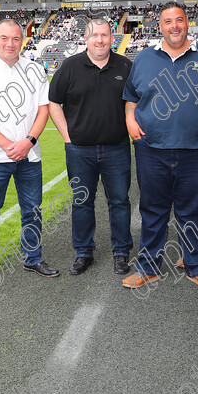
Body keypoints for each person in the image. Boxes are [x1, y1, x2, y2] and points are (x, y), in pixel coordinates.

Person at [121, 1, 198, 290]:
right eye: (168, 21)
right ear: (160, 26)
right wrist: (131, 118)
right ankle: (148, 267)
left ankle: (196, 266)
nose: (174, 26)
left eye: (179, 20)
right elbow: (131, 96)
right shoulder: (144, 57)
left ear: (188, 23)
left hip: (196, 149)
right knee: (152, 209)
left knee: (191, 210)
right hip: (150, 149)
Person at [0, 19, 59, 291]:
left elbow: (44, 109)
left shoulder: (35, 70)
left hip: (29, 155)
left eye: (16, 39)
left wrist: (28, 141)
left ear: (22, 40)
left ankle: (33, 257)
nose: (10, 44)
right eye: (5, 38)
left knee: (32, 211)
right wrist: (6, 144)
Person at [48, 18, 133, 276]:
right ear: (86, 38)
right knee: (82, 202)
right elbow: (53, 102)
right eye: (95, 35)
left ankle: (121, 252)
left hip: (117, 149)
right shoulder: (70, 66)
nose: (100, 40)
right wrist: (67, 136)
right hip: (79, 151)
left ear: (112, 37)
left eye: (105, 35)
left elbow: (135, 101)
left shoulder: (126, 66)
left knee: (119, 201)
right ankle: (84, 251)